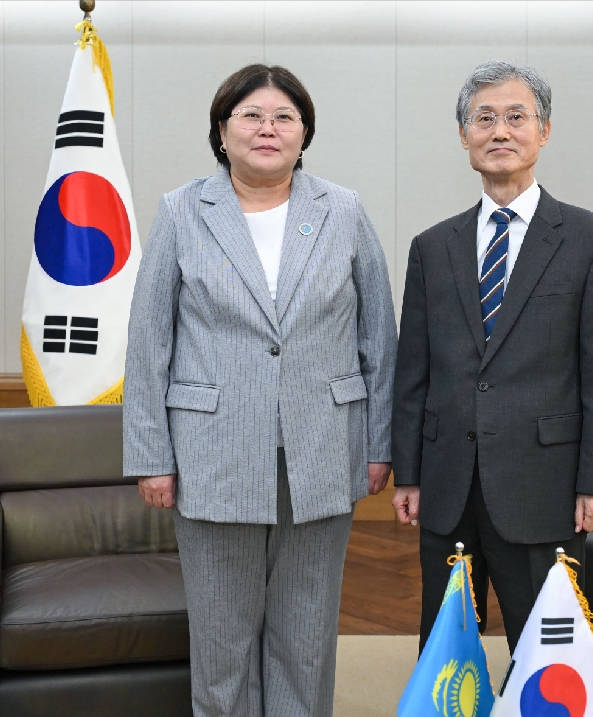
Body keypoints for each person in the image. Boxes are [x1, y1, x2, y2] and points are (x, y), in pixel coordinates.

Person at [124, 64, 397, 717]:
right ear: (222, 130)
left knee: (305, 633)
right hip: (210, 449)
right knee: (222, 636)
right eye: (250, 115)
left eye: (284, 117)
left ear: (304, 133)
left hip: (325, 446)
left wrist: (379, 442)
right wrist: (150, 456)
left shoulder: (343, 210)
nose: (267, 129)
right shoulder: (181, 210)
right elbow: (148, 341)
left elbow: (378, 338)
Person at [391, 61, 593, 653]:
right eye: (485, 118)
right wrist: (411, 471)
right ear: (464, 134)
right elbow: (413, 371)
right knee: (447, 653)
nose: (500, 131)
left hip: (544, 487)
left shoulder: (592, 241)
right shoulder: (432, 246)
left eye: (516, 117)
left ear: (543, 132)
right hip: (449, 486)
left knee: (547, 656)